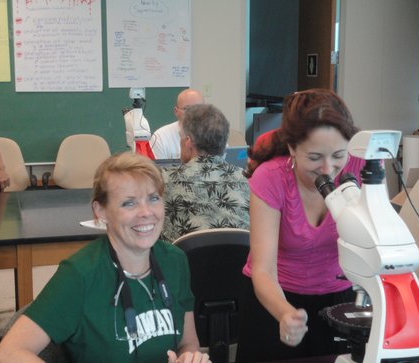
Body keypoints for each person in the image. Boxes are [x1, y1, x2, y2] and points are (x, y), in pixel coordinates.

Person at [0, 152, 211, 363]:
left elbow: (188, 343)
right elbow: (9, 353)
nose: (146, 212)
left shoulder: (175, 261)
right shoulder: (80, 274)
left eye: (153, 198)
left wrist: (189, 357)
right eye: (129, 203)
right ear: (100, 211)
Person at [235, 89, 366, 363]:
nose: (328, 169)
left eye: (338, 155)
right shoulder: (271, 177)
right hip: (275, 299)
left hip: (337, 297)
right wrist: (285, 313)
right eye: (315, 157)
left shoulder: (361, 167)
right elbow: (263, 268)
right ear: (292, 148)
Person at [161, 104, 250, 243]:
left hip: (184, 263)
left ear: (188, 142)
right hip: (238, 263)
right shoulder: (248, 181)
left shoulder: (164, 181)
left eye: (181, 137)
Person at [150, 89, 205, 159]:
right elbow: (157, 169)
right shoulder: (160, 137)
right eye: (187, 109)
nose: (193, 114)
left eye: (198, 108)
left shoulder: (214, 136)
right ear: (176, 111)